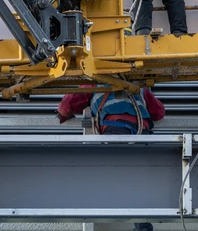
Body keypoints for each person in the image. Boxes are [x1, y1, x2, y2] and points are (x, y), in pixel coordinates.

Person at [58, 86, 165, 231]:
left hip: (116, 131)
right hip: (142, 134)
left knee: (117, 178)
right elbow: (158, 112)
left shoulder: (95, 84)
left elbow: (69, 103)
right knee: (136, 180)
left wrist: (62, 114)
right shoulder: (138, 87)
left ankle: (138, 223)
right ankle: (142, 225)